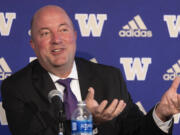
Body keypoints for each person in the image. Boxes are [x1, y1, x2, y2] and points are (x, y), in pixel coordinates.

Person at [1, 4, 180, 135]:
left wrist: (161, 115)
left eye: (63, 30)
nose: (57, 39)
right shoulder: (17, 87)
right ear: (33, 44)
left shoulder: (110, 77)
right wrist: (85, 121)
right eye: (45, 33)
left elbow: (136, 131)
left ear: (75, 36)